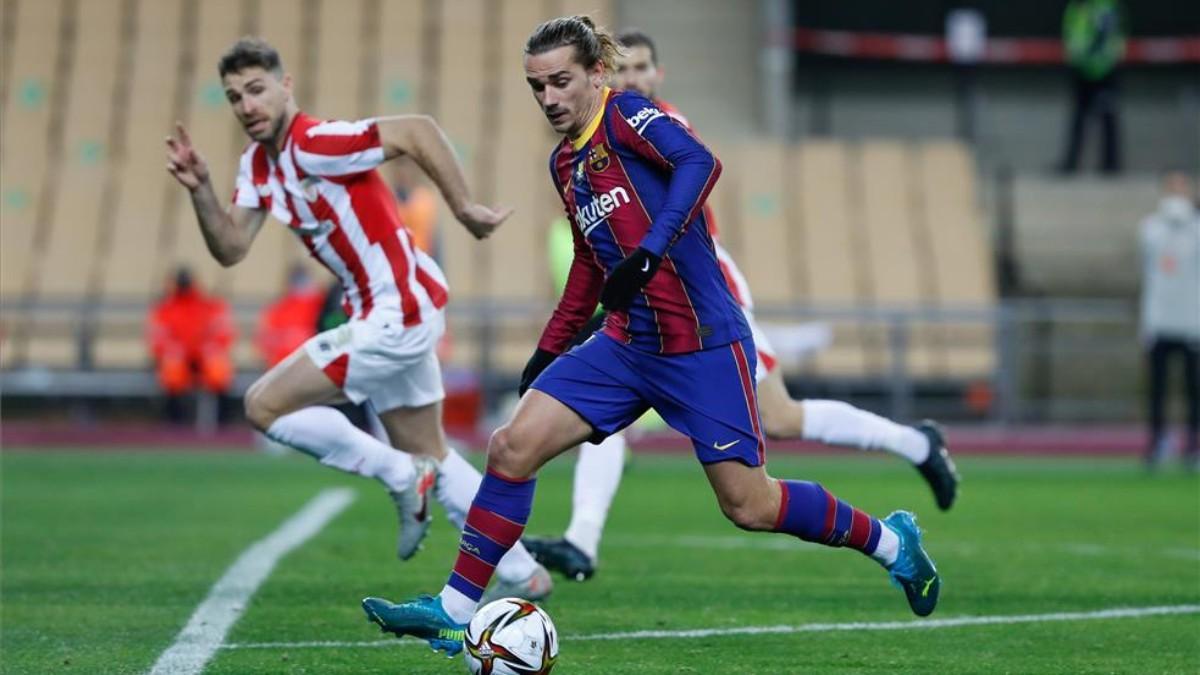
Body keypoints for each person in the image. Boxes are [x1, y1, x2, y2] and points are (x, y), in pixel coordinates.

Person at [361, 16, 943, 657]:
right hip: (626, 345)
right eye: (537, 87)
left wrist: (650, 249)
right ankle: (452, 609)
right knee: (511, 447)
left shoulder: (627, 115)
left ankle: (890, 541)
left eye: (560, 81)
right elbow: (588, 261)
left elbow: (701, 161)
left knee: (749, 505)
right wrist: (550, 347)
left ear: (595, 74)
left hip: (701, 344)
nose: (549, 97)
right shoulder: (566, 162)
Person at [521, 27, 960, 582]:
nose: (631, 80)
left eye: (641, 70)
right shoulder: (592, 137)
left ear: (657, 77)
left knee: (776, 418)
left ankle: (914, 443)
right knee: (610, 415)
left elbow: (695, 170)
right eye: (624, 70)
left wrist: (647, 256)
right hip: (649, 300)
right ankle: (581, 540)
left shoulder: (652, 122)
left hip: (701, 290)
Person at [165, 37, 551, 601]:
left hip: (396, 312)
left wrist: (465, 208)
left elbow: (416, 128)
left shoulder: (317, 142)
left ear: (285, 86)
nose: (247, 105)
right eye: (233, 97)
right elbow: (229, 248)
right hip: (394, 310)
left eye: (256, 89)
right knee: (433, 454)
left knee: (262, 405)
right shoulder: (258, 167)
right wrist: (200, 188)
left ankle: (398, 477)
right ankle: (522, 570)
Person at [1140, 172, 1200, 468]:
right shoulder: (1151, 228)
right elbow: (1152, 274)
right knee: (1158, 390)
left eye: (1182, 188)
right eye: (1172, 188)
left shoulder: (1197, 229)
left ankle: (1193, 445)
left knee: (1194, 390)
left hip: (1191, 323)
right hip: (1160, 320)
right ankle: (1157, 443)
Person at [146, 266, 236, 424]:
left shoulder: (209, 305)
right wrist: (173, 349)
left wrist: (208, 347)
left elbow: (223, 333)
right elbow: (157, 339)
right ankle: (175, 422)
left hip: (203, 356)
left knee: (218, 368)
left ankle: (223, 422)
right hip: (180, 358)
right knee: (171, 369)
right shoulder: (164, 309)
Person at [1058, 0, 1125, 174]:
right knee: (1078, 118)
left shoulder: (1108, 6)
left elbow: (1115, 35)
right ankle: (1071, 164)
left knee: (1107, 117)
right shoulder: (1076, 6)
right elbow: (1070, 33)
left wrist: (1104, 58)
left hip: (1105, 69)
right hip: (1081, 69)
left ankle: (1111, 165)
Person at [254, 263, 324, 368]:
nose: (301, 286)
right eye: (298, 281)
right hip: (282, 368)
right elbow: (263, 341)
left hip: (316, 367)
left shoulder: (322, 305)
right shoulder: (279, 309)